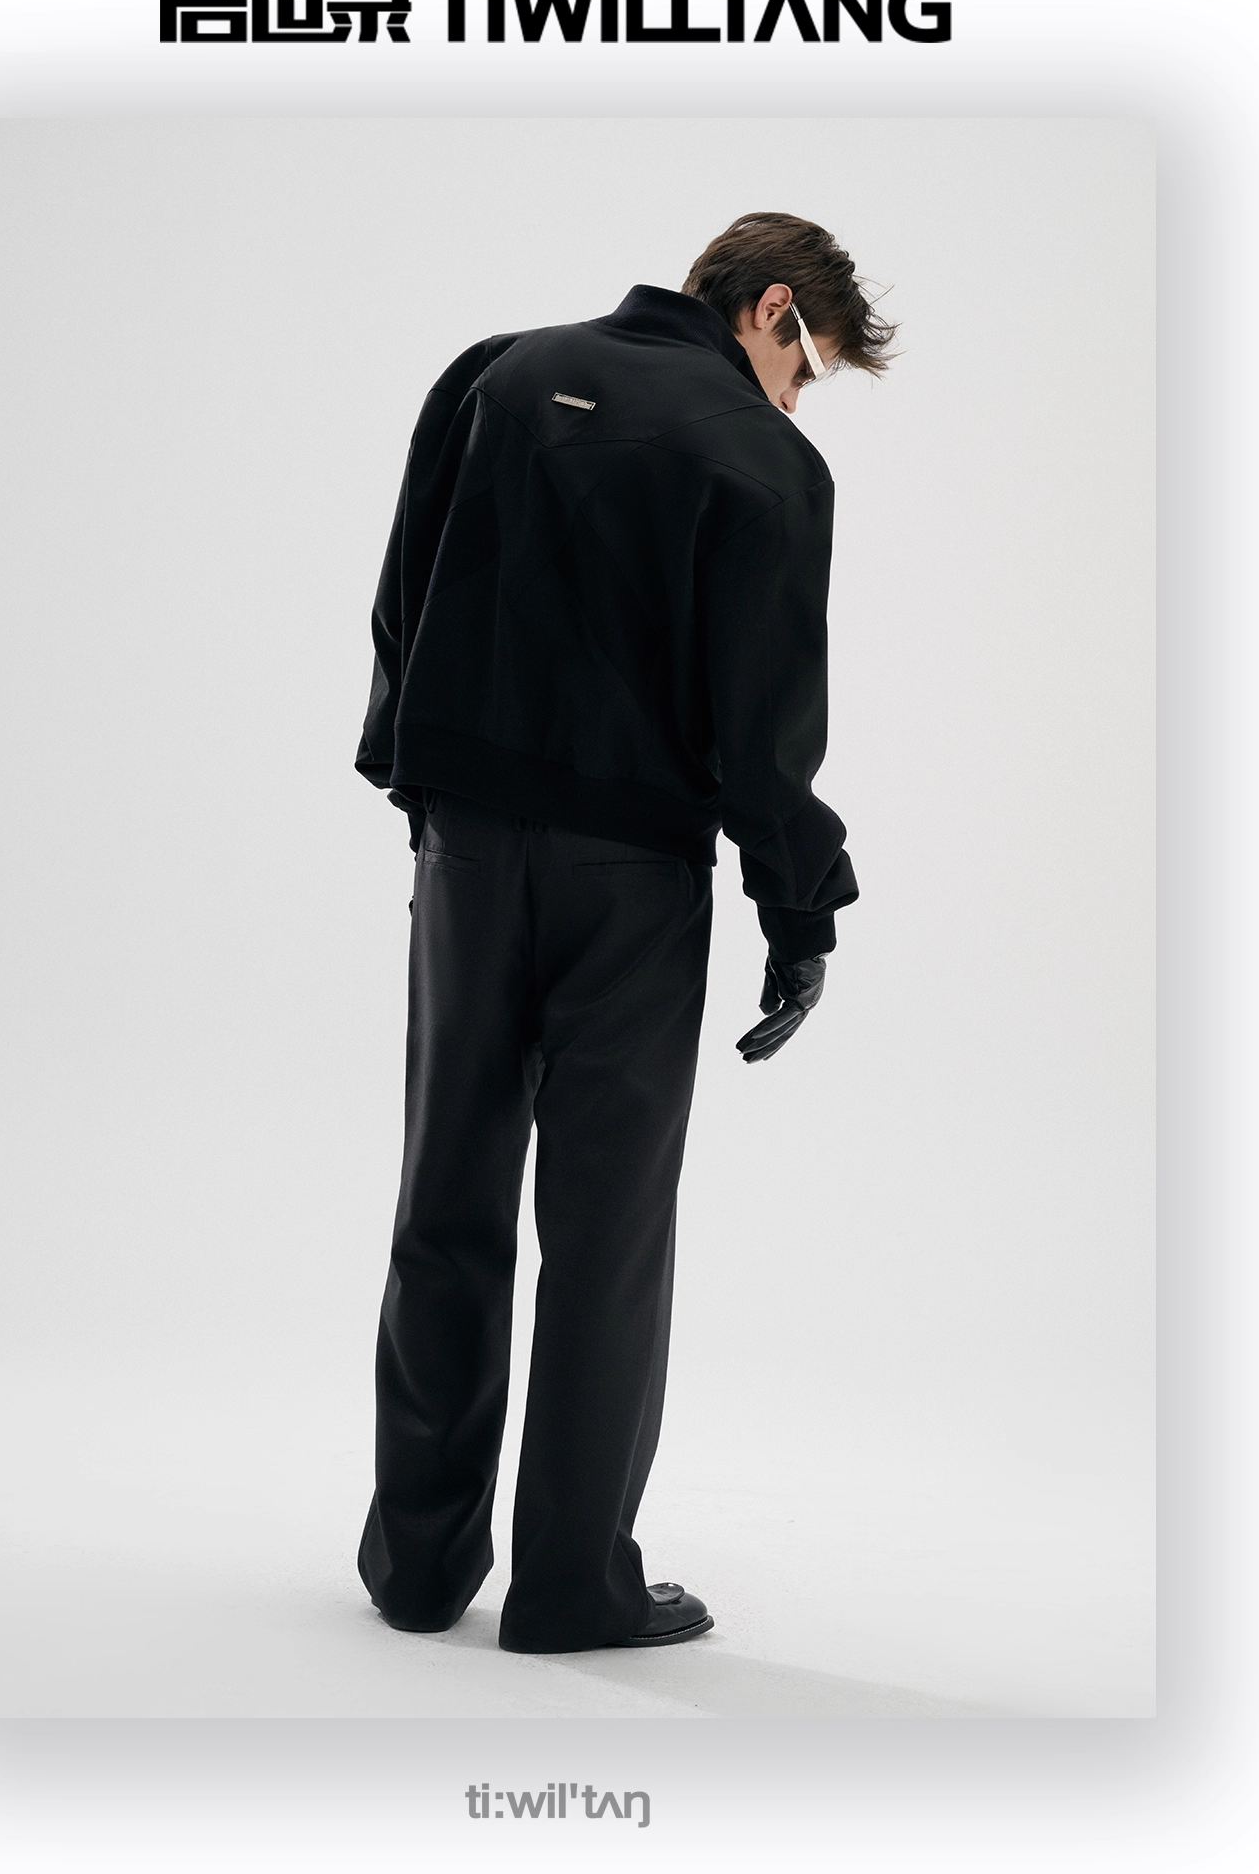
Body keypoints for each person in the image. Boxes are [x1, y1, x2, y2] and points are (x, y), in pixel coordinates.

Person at [353, 211, 896, 1655]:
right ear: (772, 308)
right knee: (607, 1234)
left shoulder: (499, 371)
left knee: (445, 1196)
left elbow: (403, 594)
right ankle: (569, 1587)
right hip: (633, 879)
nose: (798, 399)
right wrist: (799, 909)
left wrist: (418, 784)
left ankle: (417, 1566)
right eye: (808, 368)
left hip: (469, 849)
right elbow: (765, 732)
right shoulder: (764, 459)